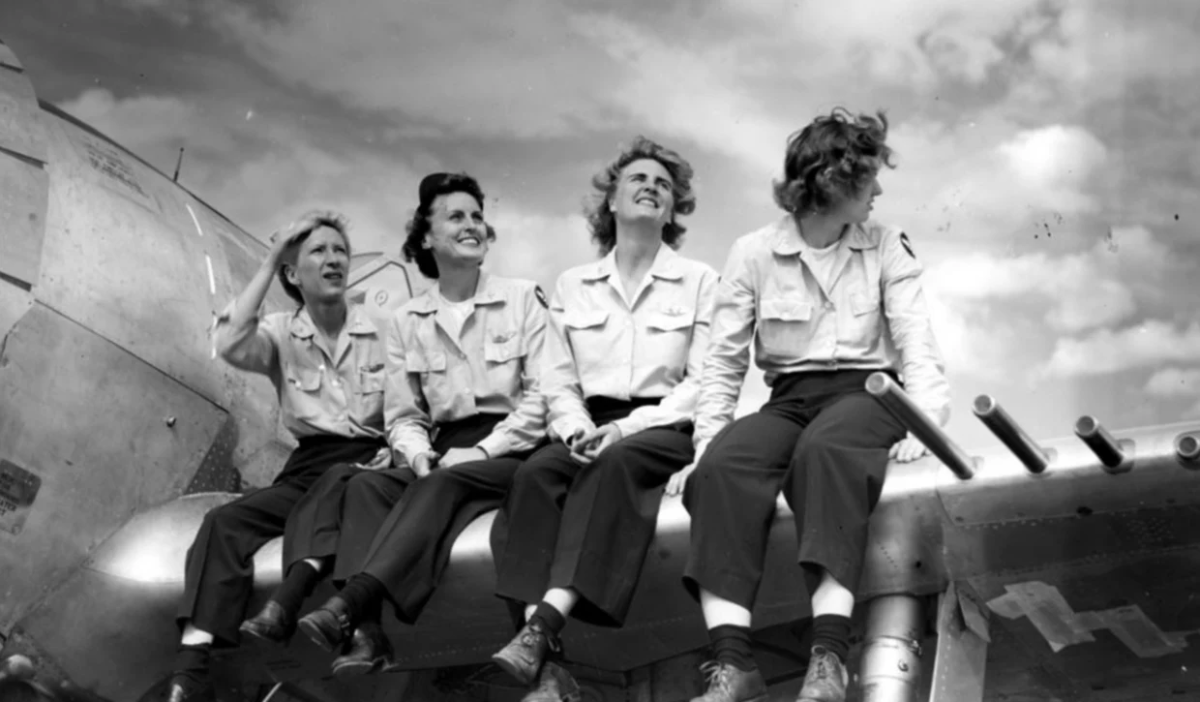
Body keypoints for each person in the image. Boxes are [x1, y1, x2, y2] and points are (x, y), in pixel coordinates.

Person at [674, 109, 950, 702]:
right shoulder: (752, 252)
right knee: (722, 470)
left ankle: (827, 657)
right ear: (832, 180)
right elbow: (722, 365)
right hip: (789, 399)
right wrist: (704, 446)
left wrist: (924, 424)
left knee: (825, 453)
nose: (878, 190)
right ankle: (732, 666)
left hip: (869, 393)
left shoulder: (886, 246)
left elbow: (917, 344)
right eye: (868, 177)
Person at [488, 136, 718, 702]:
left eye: (663, 185)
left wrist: (624, 429)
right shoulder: (572, 285)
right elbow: (556, 378)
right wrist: (571, 428)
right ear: (610, 201)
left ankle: (541, 627)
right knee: (535, 476)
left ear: (672, 210)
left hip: (662, 428)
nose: (652, 188)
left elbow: (706, 382)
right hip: (586, 423)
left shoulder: (701, 281)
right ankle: (547, 671)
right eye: (638, 179)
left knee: (612, 464)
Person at [295, 172, 549, 677]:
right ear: (426, 237)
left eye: (477, 216)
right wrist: (416, 454)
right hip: (444, 449)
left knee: (444, 482)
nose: (472, 225)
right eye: (456, 216)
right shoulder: (407, 321)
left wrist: (480, 453)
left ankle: (348, 604)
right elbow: (405, 415)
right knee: (366, 486)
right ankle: (369, 634)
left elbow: (544, 398)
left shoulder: (523, 298)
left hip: (516, 447)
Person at [169, 211, 388, 702]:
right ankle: (191, 670)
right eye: (317, 252)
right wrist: (270, 257)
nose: (333, 259)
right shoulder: (279, 333)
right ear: (292, 274)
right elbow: (226, 342)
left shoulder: (388, 331)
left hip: (374, 462)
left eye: (340, 251)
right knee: (224, 523)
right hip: (309, 464)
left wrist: (397, 449)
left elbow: (421, 405)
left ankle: (293, 610)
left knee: (338, 488)